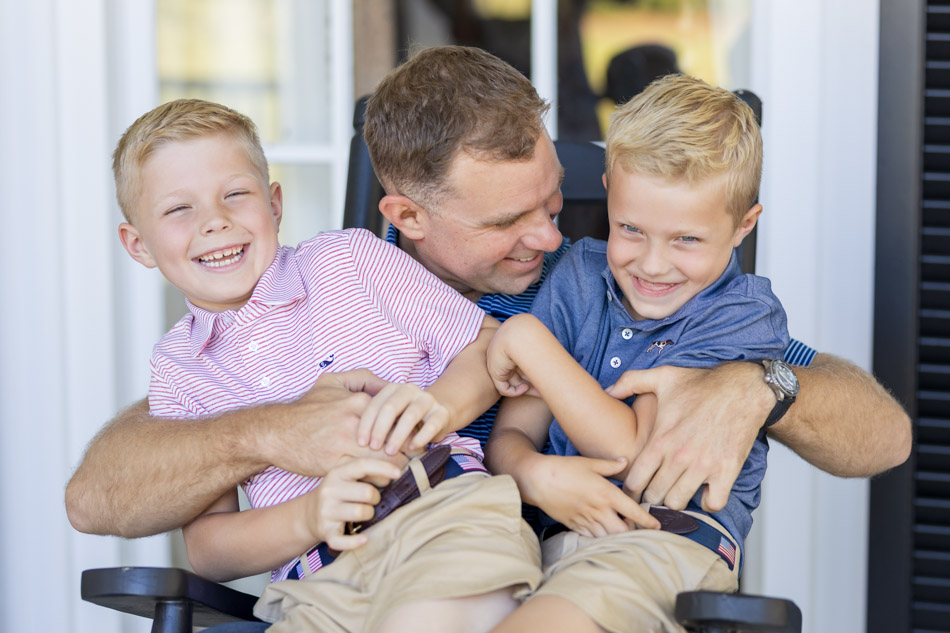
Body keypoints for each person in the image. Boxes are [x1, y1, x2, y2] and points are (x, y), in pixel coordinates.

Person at [66, 45, 909, 549]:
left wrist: (764, 385)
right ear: (405, 218)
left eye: (554, 203)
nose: (551, 237)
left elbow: (884, 437)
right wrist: (266, 432)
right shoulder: (330, 299)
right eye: (511, 221)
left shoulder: (610, 284)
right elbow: (97, 495)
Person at [111, 98, 541, 633]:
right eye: (179, 209)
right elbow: (208, 549)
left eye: (235, 195)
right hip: (313, 580)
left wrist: (433, 408)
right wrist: (309, 516)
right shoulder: (178, 369)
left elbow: (489, 345)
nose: (214, 222)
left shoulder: (347, 261)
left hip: (439, 514)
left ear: (274, 204)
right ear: (138, 244)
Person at [484, 74, 786, 633]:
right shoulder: (577, 276)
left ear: (744, 225)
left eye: (686, 240)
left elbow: (631, 452)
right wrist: (533, 473)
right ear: (608, 193)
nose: (651, 264)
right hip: (543, 537)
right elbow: (512, 434)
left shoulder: (742, 315)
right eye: (631, 228)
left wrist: (528, 339)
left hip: (664, 543)